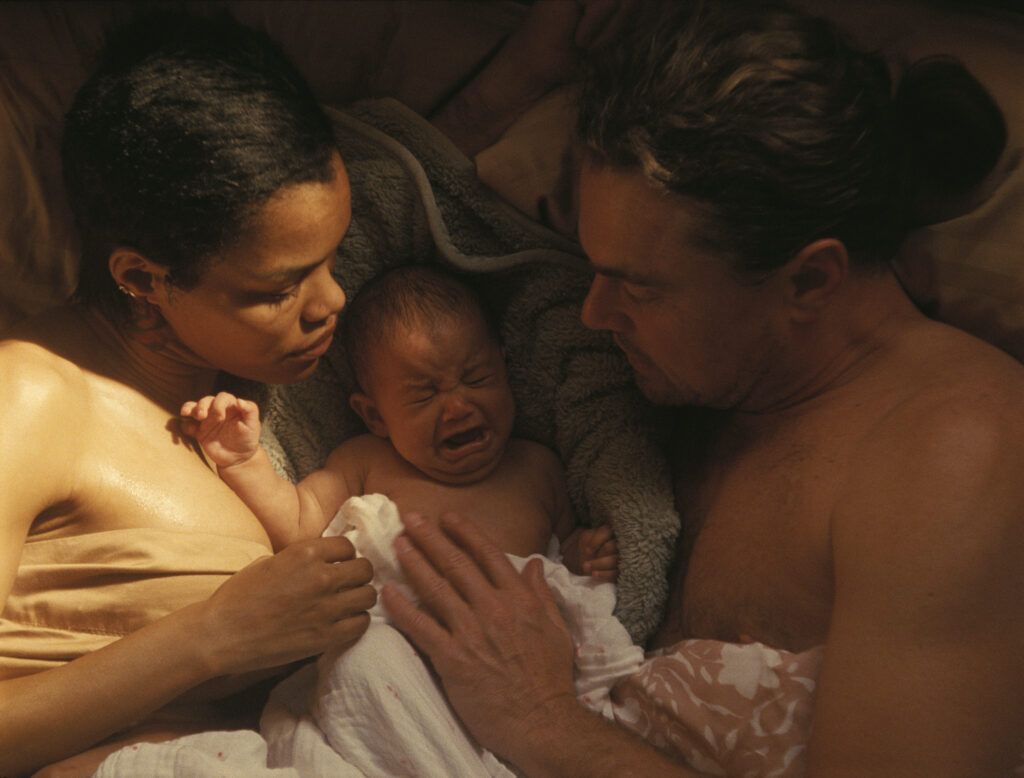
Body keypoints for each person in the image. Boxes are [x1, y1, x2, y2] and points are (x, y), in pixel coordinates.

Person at [383, 2, 1024, 776]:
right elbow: (385, 227)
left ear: (809, 281)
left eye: (639, 288)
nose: (594, 313)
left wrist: (542, 719)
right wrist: (520, 74)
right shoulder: (682, 386)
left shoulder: (955, 448)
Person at [0, 12, 379, 775]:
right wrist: (214, 635)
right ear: (143, 279)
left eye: (332, 258)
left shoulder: (243, 403)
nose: (332, 301)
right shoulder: (32, 396)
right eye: (279, 289)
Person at [179, 264, 618, 577]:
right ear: (375, 416)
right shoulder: (366, 462)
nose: (458, 407)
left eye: (476, 378)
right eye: (425, 395)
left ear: (505, 369)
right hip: (398, 642)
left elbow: (560, 556)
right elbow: (297, 525)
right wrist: (244, 461)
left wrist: (584, 555)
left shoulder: (537, 467)